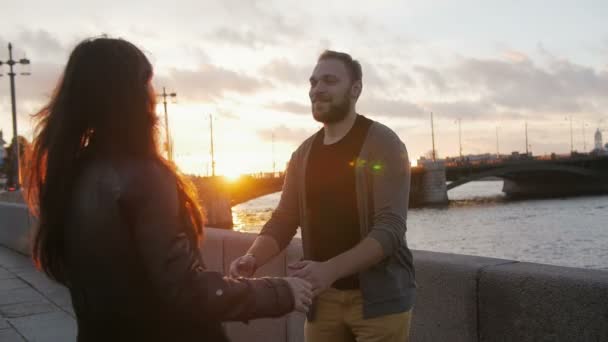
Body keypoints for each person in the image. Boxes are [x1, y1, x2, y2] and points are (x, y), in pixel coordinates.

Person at [25, 37, 312, 342]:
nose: (151, 94)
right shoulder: (143, 175)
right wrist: (280, 292)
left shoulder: (71, 175)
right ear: (130, 94)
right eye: (146, 82)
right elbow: (184, 289)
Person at [230, 50, 416, 341]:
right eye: (313, 82)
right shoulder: (303, 154)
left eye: (329, 80)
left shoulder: (384, 143)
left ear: (356, 89)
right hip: (321, 301)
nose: (317, 89)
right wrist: (252, 258)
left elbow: (390, 229)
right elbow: (284, 219)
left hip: (379, 302)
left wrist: (328, 270)